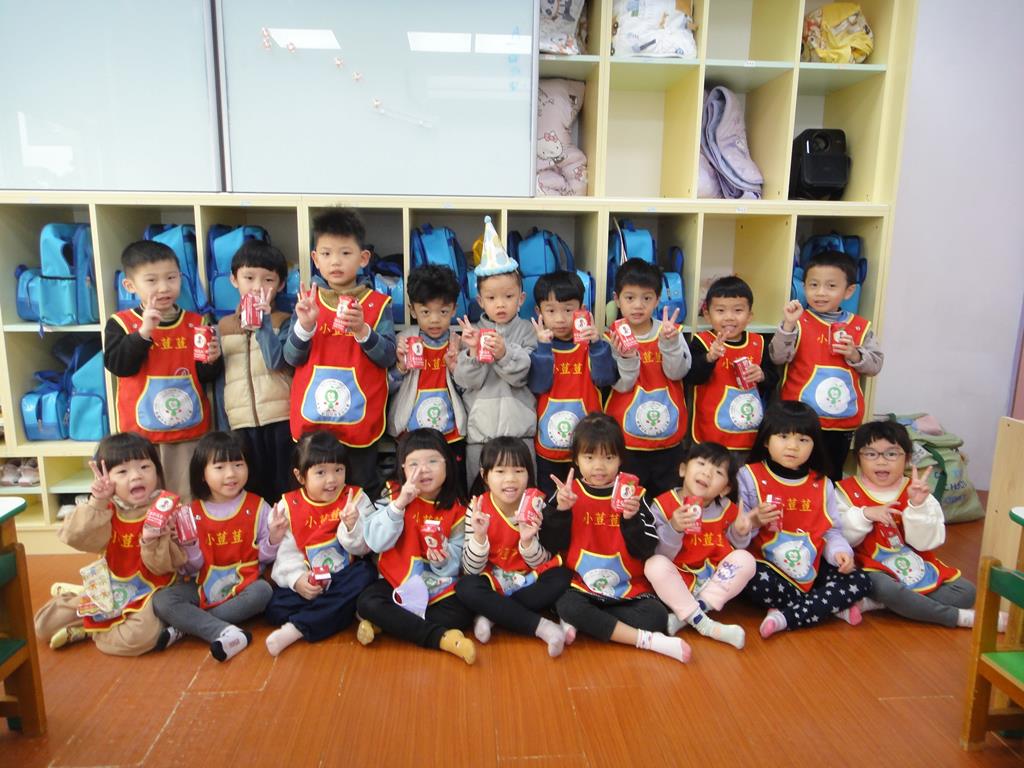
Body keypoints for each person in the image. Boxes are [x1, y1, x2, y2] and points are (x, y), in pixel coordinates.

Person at [541, 413, 688, 663]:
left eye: (608, 457)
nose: (599, 466)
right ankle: (643, 640)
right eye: (589, 457)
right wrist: (562, 511)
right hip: (581, 585)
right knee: (566, 603)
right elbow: (550, 545)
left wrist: (631, 518)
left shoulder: (636, 495)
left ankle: (586, 622)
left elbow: (646, 550)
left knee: (656, 616)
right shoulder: (567, 493)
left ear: (620, 458)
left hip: (626, 587)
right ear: (576, 459)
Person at [835, 420, 1007, 631]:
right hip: (872, 569)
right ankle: (957, 618)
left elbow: (925, 543)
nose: (881, 461)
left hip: (915, 564)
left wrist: (917, 507)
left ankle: (886, 603)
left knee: (966, 593)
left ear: (907, 458)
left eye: (891, 454)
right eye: (871, 454)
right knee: (883, 586)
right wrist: (865, 514)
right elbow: (841, 538)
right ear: (858, 459)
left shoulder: (918, 491)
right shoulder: (844, 492)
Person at [34, 433, 184, 655]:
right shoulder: (107, 509)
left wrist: (152, 539)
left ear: (157, 470)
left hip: (151, 590)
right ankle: (89, 613)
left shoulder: (167, 507)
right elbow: (76, 537)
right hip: (112, 586)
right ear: (106, 478)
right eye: (122, 472)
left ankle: (87, 629)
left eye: (144, 467)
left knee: (137, 638)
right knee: (44, 625)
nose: (136, 476)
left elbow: (162, 567)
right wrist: (98, 501)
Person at [734, 400, 872, 639]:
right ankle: (826, 607)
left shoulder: (823, 483)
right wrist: (752, 522)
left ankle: (785, 617)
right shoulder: (747, 476)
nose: (793, 446)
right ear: (766, 440)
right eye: (783, 436)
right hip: (766, 567)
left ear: (814, 445)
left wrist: (840, 552)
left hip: (812, 566)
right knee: (746, 576)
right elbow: (736, 539)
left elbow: (831, 531)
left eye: (803, 439)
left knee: (860, 580)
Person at [283, 208, 396, 496]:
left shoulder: (377, 304)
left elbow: (388, 357)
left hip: (360, 423)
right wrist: (305, 327)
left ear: (363, 258)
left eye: (345, 253)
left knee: (361, 495)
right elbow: (291, 358)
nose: (335, 261)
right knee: (316, 495)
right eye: (327, 253)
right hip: (314, 423)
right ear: (315, 259)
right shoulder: (307, 302)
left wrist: (363, 331)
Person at [103, 241, 222, 499]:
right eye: (152, 280)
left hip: (189, 433)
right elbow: (118, 365)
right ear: (130, 286)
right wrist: (144, 332)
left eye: (171, 278)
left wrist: (212, 361)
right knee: (147, 500)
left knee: (188, 498)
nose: (164, 287)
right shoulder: (122, 323)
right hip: (142, 438)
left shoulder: (196, 322)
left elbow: (206, 377)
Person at [152, 431, 282, 661]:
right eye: (219, 467)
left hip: (244, 586)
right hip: (201, 585)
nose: (231, 474)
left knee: (263, 592)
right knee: (162, 600)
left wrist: (273, 538)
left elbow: (263, 559)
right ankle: (223, 631)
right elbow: (189, 569)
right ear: (202, 474)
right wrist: (190, 545)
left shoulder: (259, 506)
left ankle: (188, 625)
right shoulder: (188, 513)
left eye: (238, 464)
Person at [357, 428, 476, 663]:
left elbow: (457, 561)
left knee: (461, 613)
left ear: (448, 463)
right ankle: (441, 638)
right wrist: (399, 504)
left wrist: (442, 557)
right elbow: (375, 542)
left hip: (436, 583)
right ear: (402, 467)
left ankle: (388, 623)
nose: (423, 470)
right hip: (396, 581)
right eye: (414, 464)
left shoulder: (458, 508)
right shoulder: (392, 493)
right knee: (367, 602)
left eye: (432, 461)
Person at [770, 250, 883, 479]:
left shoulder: (860, 326)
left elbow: (875, 366)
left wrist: (854, 354)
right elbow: (777, 357)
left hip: (841, 422)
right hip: (800, 422)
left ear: (849, 291)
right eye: (813, 285)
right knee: (792, 472)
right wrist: (788, 326)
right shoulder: (797, 321)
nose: (820, 292)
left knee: (830, 474)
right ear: (804, 287)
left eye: (831, 286)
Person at [455, 436, 573, 656]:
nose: (510, 479)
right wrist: (479, 537)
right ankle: (542, 627)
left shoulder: (538, 503)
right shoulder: (477, 507)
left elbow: (542, 561)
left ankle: (492, 614)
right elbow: (471, 569)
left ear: (529, 473)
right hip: (494, 579)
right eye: (500, 471)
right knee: (466, 587)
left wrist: (527, 541)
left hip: (529, 579)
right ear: (485, 475)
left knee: (562, 576)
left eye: (519, 471)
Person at [263, 431, 377, 656]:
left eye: (338, 470)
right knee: (274, 607)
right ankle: (339, 611)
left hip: (345, 578)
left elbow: (368, 547)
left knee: (366, 573)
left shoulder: (356, 498)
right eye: (321, 472)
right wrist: (298, 580)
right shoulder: (288, 507)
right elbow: (286, 554)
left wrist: (353, 527)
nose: (332, 480)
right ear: (300, 476)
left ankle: (298, 628)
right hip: (311, 583)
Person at [646, 442, 754, 650]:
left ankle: (690, 615)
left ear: (725, 489)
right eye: (702, 463)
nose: (707, 473)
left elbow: (734, 549)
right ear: (683, 469)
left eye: (718, 472)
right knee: (654, 565)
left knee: (746, 560)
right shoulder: (662, 505)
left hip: (711, 583)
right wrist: (674, 528)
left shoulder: (727, 509)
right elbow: (660, 554)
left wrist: (740, 532)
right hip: (675, 584)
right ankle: (705, 624)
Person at [454, 217, 538, 483]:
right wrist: (471, 353)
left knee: (522, 497)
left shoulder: (528, 331)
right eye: (491, 298)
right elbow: (465, 381)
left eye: (508, 296)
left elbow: (524, 375)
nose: (500, 304)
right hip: (481, 435)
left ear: (521, 299)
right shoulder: (472, 331)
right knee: (479, 496)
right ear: (480, 301)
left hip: (520, 435)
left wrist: (504, 353)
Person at [604, 258, 690, 497]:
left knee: (667, 502)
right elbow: (622, 385)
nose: (638, 305)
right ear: (617, 299)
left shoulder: (671, 331)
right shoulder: (610, 338)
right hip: (627, 444)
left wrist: (669, 344)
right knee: (628, 504)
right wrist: (626, 356)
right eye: (630, 298)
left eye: (647, 298)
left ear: (658, 299)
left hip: (669, 442)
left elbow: (677, 373)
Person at [215, 240, 293, 503]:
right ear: (234, 280)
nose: (258, 287)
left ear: (280, 285)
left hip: (280, 419)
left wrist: (264, 324)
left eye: (268, 280)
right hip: (240, 423)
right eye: (249, 278)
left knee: (284, 488)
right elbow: (219, 382)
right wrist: (224, 427)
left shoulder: (285, 321)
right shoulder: (223, 326)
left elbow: (277, 362)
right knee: (250, 490)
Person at [528, 271, 616, 496]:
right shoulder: (537, 347)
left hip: (588, 451)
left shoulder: (593, 345)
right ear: (539, 312)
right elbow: (539, 385)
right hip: (548, 448)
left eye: (568, 310)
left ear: (581, 309)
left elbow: (605, 379)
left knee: (586, 500)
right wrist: (544, 348)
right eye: (551, 311)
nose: (560, 319)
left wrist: (596, 345)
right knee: (551, 502)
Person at [388, 264, 467, 485]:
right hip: (409, 434)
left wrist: (457, 369)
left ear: (454, 310)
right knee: (412, 488)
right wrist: (400, 367)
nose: (434, 320)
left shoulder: (458, 343)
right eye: (425, 312)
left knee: (452, 486)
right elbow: (384, 388)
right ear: (412, 310)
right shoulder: (403, 342)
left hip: (451, 434)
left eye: (443, 312)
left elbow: (468, 390)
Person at [686, 275, 774, 453]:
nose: (729, 317)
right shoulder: (702, 341)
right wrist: (709, 358)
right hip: (710, 433)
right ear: (707, 315)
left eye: (738, 310)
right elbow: (692, 377)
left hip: (748, 429)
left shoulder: (759, 342)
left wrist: (762, 375)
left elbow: (773, 380)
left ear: (750, 316)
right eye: (720, 311)